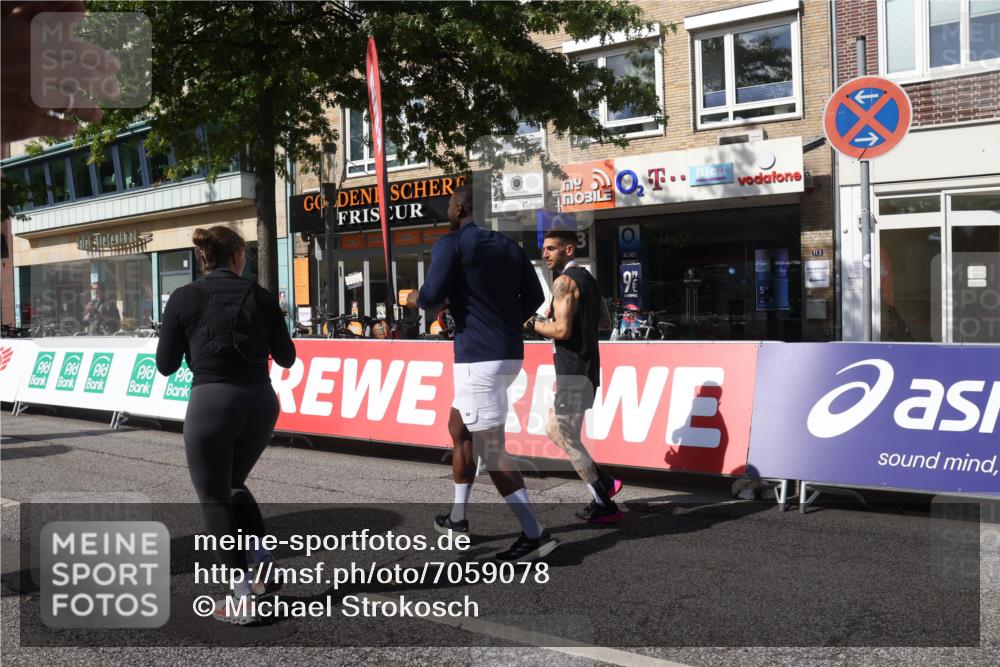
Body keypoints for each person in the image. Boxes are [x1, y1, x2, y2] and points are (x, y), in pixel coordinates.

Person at [156, 226, 296, 625]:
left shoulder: (184, 297)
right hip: (261, 402)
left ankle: (242, 596)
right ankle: (264, 566)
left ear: (204, 258)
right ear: (236, 257)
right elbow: (286, 358)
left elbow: (165, 365)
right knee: (233, 483)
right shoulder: (262, 296)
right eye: (245, 254)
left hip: (212, 402)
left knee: (214, 497)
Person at [418, 184, 557, 563]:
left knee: (492, 450)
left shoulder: (453, 242)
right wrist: (498, 315)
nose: (448, 208)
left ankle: (535, 534)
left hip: (477, 358)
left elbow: (430, 295)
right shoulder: (510, 247)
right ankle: (457, 518)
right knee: (458, 428)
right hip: (509, 353)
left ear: (461, 207)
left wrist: (423, 298)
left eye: (449, 203)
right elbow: (535, 299)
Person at [527, 229, 624, 523]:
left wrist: (534, 324)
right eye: (544, 249)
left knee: (563, 435)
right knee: (559, 432)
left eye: (552, 249)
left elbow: (561, 331)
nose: (546, 255)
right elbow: (604, 321)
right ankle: (604, 483)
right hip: (585, 368)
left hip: (573, 371)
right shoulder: (588, 280)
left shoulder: (563, 282)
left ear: (569, 250)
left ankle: (603, 501)